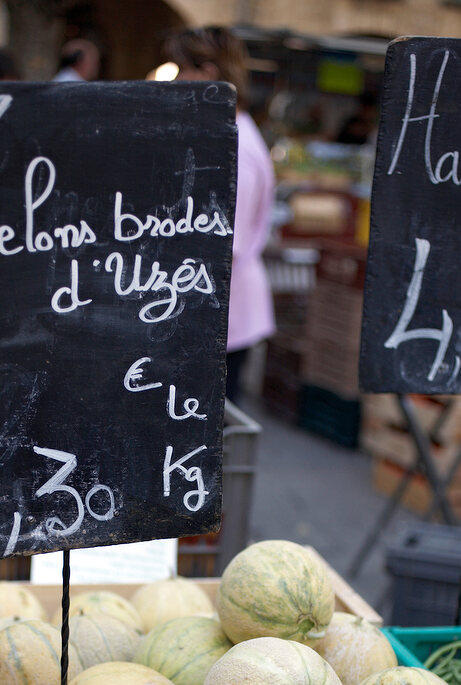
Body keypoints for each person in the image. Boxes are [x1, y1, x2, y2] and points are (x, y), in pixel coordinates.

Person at [163, 26, 275, 404]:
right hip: (217, 312)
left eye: (181, 69)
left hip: (222, 317)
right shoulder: (226, 136)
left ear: (207, 73)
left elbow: (226, 245)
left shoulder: (236, 147)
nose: (178, 81)